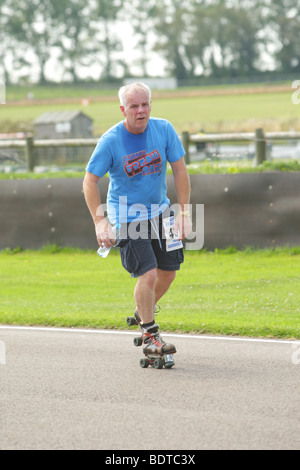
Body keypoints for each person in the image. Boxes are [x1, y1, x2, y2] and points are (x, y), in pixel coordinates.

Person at [83, 82, 191, 359]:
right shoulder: (111, 140)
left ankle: (142, 312)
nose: (140, 111)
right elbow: (90, 181)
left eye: (145, 105)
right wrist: (100, 221)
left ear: (150, 105)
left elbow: (179, 170)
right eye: (134, 106)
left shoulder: (164, 129)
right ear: (123, 110)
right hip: (128, 216)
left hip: (161, 212)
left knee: (169, 271)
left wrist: (184, 213)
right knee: (149, 273)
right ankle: (151, 335)